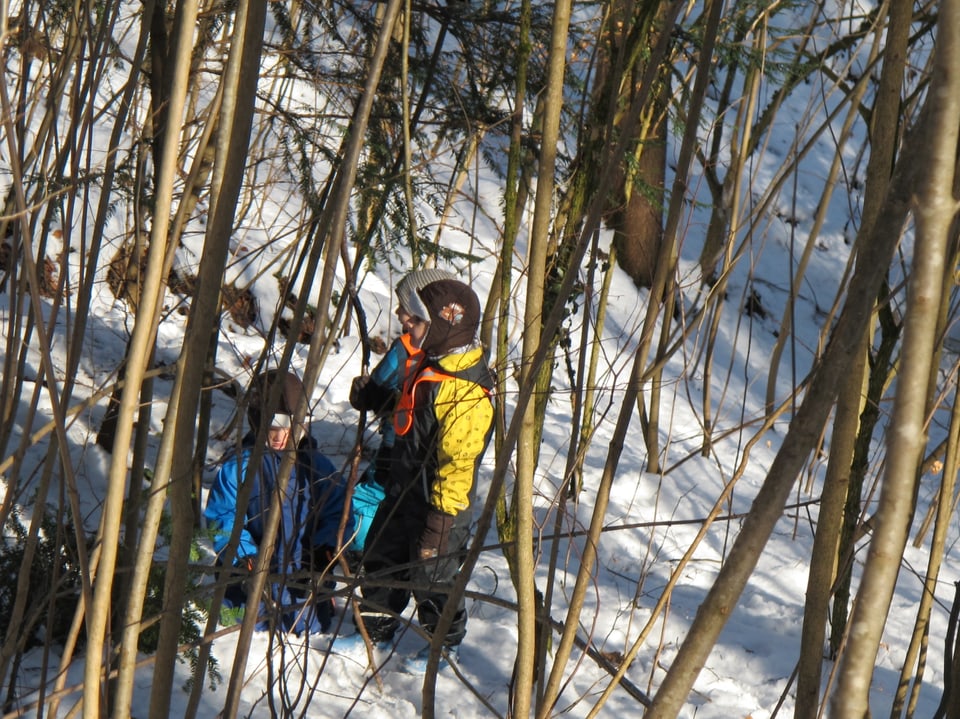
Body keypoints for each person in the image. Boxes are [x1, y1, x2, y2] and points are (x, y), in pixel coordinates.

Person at [340, 278, 495, 672]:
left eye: (415, 321)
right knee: (380, 557)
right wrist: (378, 397)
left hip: (441, 506)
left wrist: (440, 525)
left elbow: (457, 464)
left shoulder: (466, 393)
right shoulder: (433, 361)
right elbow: (414, 407)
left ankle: (444, 646)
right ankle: (373, 631)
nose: (403, 323)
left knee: (433, 575)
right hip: (403, 489)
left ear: (444, 325)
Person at [204, 369, 353, 634]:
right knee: (243, 620)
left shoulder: (316, 467)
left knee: (307, 623)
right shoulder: (240, 467)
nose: (280, 437)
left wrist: (323, 551)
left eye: (289, 428)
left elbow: (338, 512)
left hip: (300, 572)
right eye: (272, 428)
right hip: (251, 573)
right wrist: (244, 558)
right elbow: (222, 518)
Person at [348, 267, 454, 555]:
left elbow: (381, 389)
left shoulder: (419, 351)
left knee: (377, 499)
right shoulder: (420, 349)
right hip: (411, 453)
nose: (398, 313)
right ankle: (366, 553)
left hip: (410, 454)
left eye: (406, 307)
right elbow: (386, 390)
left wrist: (370, 395)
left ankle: (360, 549)